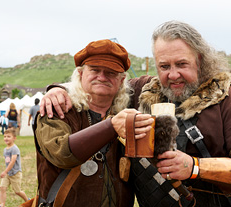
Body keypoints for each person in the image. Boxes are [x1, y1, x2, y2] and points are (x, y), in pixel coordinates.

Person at [40, 21, 231, 207]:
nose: (173, 75)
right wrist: (59, 89)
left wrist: (194, 167)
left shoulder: (227, 98)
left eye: (181, 64)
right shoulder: (143, 91)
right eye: (164, 66)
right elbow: (102, 83)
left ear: (200, 60)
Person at [35, 39, 153, 207]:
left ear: (121, 81)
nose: (102, 77)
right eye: (95, 70)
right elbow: (61, 154)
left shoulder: (125, 107)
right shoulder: (58, 107)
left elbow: (160, 80)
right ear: (81, 74)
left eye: (111, 72)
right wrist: (111, 127)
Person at [0, 128, 29, 207]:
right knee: (2, 188)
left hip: (15, 173)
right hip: (8, 174)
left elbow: (13, 161)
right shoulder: (5, 149)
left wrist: (5, 171)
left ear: (14, 138)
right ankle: (2, 205)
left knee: (17, 191)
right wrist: (6, 172)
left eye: (8, 136)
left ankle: (28, 201)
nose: (6, 138)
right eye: (5, 136)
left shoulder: (14, 149)